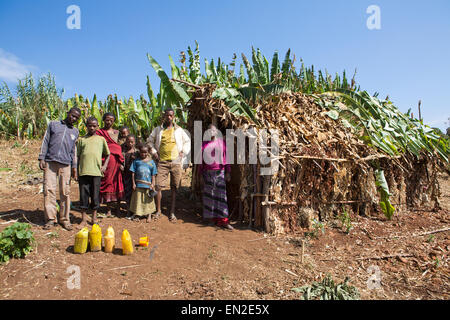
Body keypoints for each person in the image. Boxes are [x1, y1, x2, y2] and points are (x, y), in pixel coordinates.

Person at [38, 107, 81, 231]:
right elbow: (45, 141)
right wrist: (42, 158)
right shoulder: (53, 125)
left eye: (76, 118)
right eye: (72, 115)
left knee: (65, 192)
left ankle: (64, 219)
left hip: (65, 164)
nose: (73, 119)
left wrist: (74, 167)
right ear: (68, 113)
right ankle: (51, 219)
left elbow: (74, 151)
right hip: (50, 162)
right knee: (49, 190)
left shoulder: (75, 131)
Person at [146, 108, 190, 222]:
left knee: (174, 187)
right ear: (164, 116)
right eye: (167, 115)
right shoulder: (158, 130)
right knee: (158, 186)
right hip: (162, 162)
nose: (169, 118)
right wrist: (154, 153)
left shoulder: (179, 130)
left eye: (171, 116)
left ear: (173, 116)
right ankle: (159, 211)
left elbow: (187, 141)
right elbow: (149, 141)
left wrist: (182, 152)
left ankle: (172, 212)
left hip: (175, 162)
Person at [76, 117, 110, 226]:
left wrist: (104, 166)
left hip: (96, 172)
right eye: (89, 125)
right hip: (84, 172)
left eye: (94, 126)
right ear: (86, 126)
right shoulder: (82, 140)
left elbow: (107, 154)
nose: (91, 128)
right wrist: (76, 171)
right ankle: (84, 219)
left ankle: (94, 218)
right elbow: (78, 157)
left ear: (97, 127)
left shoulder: (101, 140)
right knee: (83, 195)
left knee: (95, 196)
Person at [198, 124, 233, 230]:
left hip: (220, 172)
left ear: (217, 132)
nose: (211, 132)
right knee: (209, 197)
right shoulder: (204, 144)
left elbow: (227, 158)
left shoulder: (222, 143)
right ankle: (211, 220)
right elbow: (200, 161)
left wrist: (228, 172)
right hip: (207, 173)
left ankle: (223, 221)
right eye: (209, 130)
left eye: (213, 130)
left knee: (222, 197)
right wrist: (200, 175)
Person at [96, 113, 125, 216]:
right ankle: (108, 209)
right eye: (107, 120)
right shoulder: (99, 132)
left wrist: (122, 161)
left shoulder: (117, 132)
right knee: (108, 183)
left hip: (117, 162)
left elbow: (120, 146)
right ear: (103, 120)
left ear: (114, 121)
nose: (109, 122)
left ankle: (117, 208)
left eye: (111, 120)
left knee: (117, 183)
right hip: (106, 161)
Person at [129, 144, 157, 222]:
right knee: (138, 200)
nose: (143, 154)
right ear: (139, 152)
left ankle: (149, 215)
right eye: (142, 152)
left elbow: (153, 174)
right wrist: (133, 183)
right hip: (138, 184)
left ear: (148, 152)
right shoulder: (136, 161)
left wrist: (153, 184)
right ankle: (138, 215)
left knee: (148, 200)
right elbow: (133, 173)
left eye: (145, 152)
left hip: (148, 185)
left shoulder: (151, 162)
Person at [121, 134, 138, 213]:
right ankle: (128, 207)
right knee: (127, 190)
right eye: (128, 142)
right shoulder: (123, 151)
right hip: (126, 174)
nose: (130, 144)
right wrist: (121, 165)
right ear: (126, 142)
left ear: (134, 142)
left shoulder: (136, 152)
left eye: (132, 142)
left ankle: (134, 208)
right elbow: (120, 160)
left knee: (134, 191)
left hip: (135, 174)